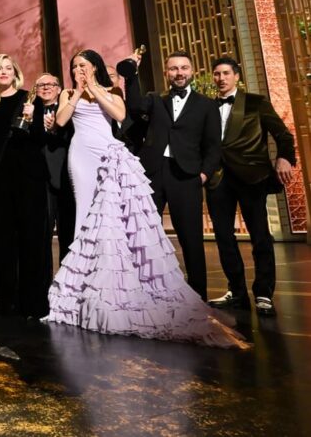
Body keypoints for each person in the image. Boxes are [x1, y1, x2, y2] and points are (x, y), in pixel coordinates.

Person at [44, 49, 248, 349]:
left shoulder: (112, 91)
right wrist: (76, 92)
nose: (78, 70)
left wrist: (94, 88)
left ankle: (144, 288)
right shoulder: (68, 94)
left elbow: (121, 116)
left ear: (95, 67)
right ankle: (84, 288)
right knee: (85, 216)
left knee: (118, 222)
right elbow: (62, 121)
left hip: (112, 156)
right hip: (82, 157)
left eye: (83, 65)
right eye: (74, 66)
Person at [116, 50, 221, 299]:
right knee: (144, 234)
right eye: (174, 68)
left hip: (187, 176)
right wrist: (132, 74)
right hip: (153, 173)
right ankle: (146, 293)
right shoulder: (155, 99)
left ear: (192, 71)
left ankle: (198, 296)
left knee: (191, 238)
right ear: (166, 73)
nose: (179, 73)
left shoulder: (207, 105)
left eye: (184, 68)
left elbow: (213, 145)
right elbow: (133, 107)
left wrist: (204, 175)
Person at [206, 57, 295, 316]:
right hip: (218, 179)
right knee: (223, 237)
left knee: (260, 237)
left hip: (251, 176)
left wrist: (284, 157)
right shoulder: (208, 107)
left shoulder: (256, 102)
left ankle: (264, 293)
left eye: (226, 73)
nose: (221, 78)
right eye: (216, 74)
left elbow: (283, 134)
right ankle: (236, 291)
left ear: (236, 76)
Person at [0, 55, 49, 317]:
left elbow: (40, 139)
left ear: (16, 73)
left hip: (29, 179)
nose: (4, 72)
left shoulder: (30, 100)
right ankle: (7, 298)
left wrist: (32, 119)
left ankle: (33, 301)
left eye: (8, 68)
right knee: (3, 241)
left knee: (31, 239)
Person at [35, 73, 76, 264]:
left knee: (68, 232)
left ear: (59, 89)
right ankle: (43, 280)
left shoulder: (69, 110)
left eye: (50, 84)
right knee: (41, 235)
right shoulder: (29, 111)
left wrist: (55, 129)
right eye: (41, 85)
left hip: (64, 177)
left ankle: (67, 277)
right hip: (39, 180)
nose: (45, 87)